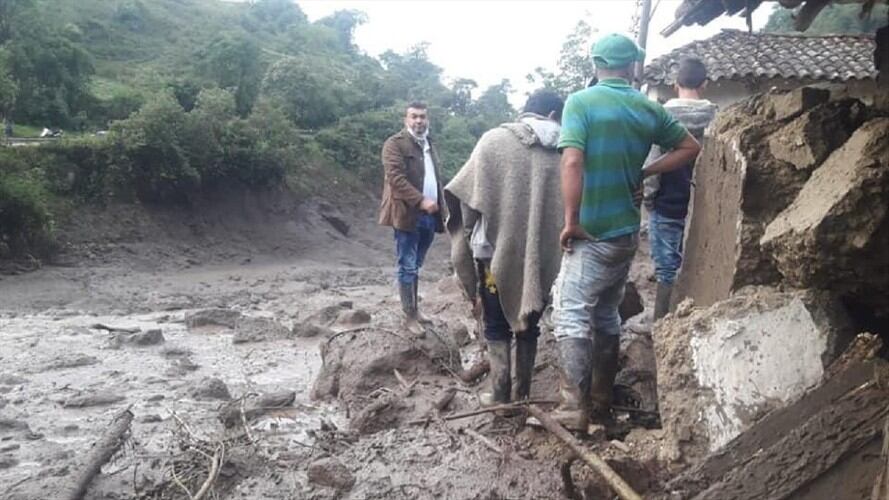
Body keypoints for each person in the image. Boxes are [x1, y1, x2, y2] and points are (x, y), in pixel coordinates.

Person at [550, 33, 702, 431]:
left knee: (570, 313)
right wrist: (646, 170)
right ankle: (600, 399)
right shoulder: (646, 107)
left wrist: (570, 220)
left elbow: (571, 162)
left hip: (592, 229)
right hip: (625, 231)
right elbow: (689, 147)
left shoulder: (581, 103)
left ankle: (572, 407)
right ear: (632, 66)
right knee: (605, 313)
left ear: (596, 63)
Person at [445, 90, 565, 406]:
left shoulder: (493, 141)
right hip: (543, 256)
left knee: (497, 323)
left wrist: (465, 241)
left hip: (492, 254)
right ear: (554, 116)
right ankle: (523, 392)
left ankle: (500, 395)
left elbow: (466, 197)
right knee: (529, 323)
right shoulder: (568, 149)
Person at [644, 57, 718, 321]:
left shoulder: (663, 118)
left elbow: (652, 165)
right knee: (700, 262)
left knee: (666, 269)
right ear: (705, 84)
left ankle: (662, 325)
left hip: (667, 204)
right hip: (705, 207)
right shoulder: (717, 118)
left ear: (675, 85)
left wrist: (649, 200)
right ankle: (695, 318)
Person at [378, 102, 445, 334]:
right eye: (414, 117)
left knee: (416, 265)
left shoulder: (429, 143)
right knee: (407, 265)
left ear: (428, 119)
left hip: (429, 215)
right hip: (407, 214)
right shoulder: (394, 144)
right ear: (406, 119)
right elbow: (396, 179)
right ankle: (409, 315)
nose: (419, 121)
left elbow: (437, 179)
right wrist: (421, 200)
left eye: (423, 117)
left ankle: (415, 309)